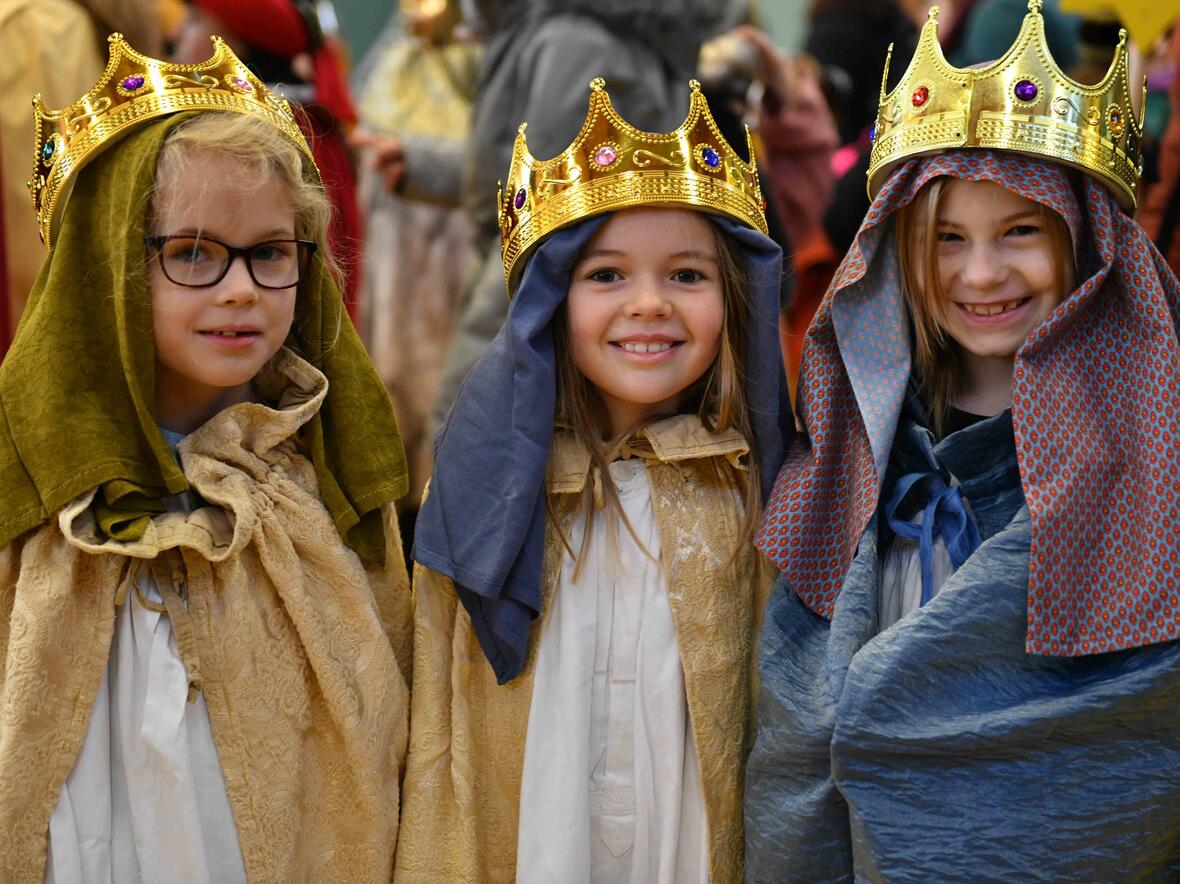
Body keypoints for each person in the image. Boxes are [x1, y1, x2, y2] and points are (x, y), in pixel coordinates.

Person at [747, 2, 1180, 880]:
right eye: (946, 240)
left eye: (1020, 231)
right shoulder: (868, 444)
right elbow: (803, 718)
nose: (980, 275)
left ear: (1086, 245)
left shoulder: (1148, 447)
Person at [0, 36, 410, 879]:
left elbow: (381, 725)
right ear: (107, 272)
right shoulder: (28, 490)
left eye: (269, 252)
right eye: (190, 252)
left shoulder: (319, 482)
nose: (239, 290)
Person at [395, 79, 793, 882]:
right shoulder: (483, 491)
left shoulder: (754, 491)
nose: (648, 305)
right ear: (550, 302)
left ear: (735, 299)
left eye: (687, 275)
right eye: (606, 275)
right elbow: (440, 725)